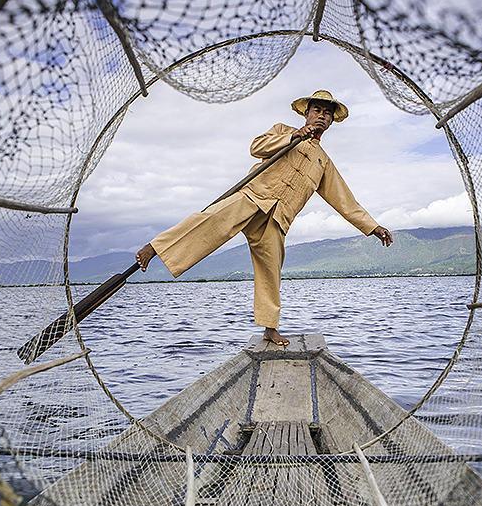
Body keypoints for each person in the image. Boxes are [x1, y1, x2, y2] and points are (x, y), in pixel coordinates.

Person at [135, 90, 393, 346]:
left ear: (332, 121)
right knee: (209, 222)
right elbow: (256, 147)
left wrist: (373, 227)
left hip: (278, 219)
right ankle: (156, 247)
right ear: (306, 113)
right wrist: (293, 136)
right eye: (317, 110)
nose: (322, 116)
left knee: (271, 272)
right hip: (253, 196)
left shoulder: (323, 162)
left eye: (327, 113)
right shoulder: (284, 130)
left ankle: (270, 329)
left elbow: (345, 201)